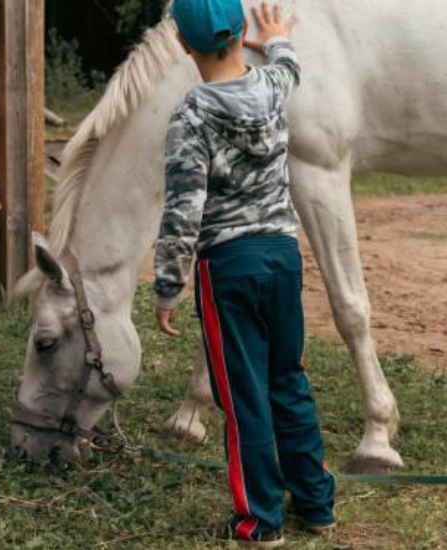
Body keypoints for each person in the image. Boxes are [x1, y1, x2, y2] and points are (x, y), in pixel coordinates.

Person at [153, 0, 337, 547]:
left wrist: (167, 284)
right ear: (240, 36)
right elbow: (290, 67)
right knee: (289, 381)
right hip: (282, 257)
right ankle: (316, 505)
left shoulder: (190, 116)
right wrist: (278, 36)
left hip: (228, 267)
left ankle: (259, 523)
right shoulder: (273, 86)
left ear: (184, 45)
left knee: (244, 397)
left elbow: (182, 210)